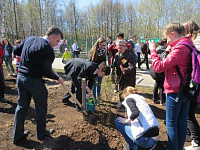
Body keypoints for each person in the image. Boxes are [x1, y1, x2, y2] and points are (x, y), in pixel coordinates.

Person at [12, 26, 64, 144]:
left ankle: (17, 136)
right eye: (56, 41)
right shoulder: (47, 49)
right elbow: (47, 70)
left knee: (21, 107)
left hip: (20, 78)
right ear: (51, 36)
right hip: (34, 81)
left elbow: (16, 51)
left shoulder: (29, 39)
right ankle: (41, 133)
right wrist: (58, 78)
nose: (57, 44)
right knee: (41, 107)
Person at [150, 23, 192, 150]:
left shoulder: (180, 48)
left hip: (175, 90)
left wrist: (153, 50)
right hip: (186, 89)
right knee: (182, 121)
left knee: (171, 123)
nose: (167, 41)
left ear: (173, 34)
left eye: (167, 38)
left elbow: (158, 67)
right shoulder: (189, 45)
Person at [183, 20, 200, 150]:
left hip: (196, 82)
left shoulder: (196, 43)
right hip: (196, 81)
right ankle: (189, 134)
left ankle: (197, 142)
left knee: (189, 113)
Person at [112, 40, 136, 110]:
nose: (119, 50)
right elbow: (115, 66)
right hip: (120, 76)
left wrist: (124, 70)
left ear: (125, 47)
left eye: (121, 48)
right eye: (118, 48)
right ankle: (122, 102)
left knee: (128, 91)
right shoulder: (117, 55)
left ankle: (129, 105)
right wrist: (113, 75)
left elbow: (131, 67)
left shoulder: (130, 55)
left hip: (129, 77)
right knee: (121, 90)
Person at [152, 38, 167, 105]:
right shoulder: (164, 51)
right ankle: (162, 100)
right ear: (164, 44)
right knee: (162, 86)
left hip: (155, 70)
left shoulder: (156, 50)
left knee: (157, 84)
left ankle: (154, 98)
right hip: (161, 70)